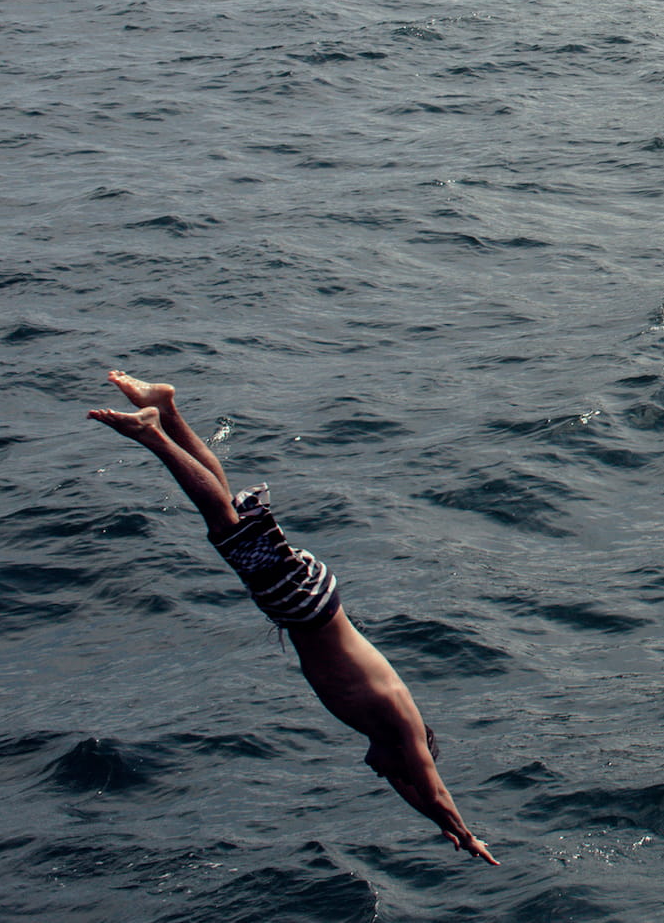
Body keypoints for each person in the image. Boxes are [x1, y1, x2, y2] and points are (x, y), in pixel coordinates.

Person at [86, 370, 498, 864]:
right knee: (223, 526)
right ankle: (152, 432)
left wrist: (443, 829)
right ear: (414, 758)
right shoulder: (403, 727)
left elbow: (412, 791)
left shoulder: (384, 735)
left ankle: (166, 408)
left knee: (232, 515)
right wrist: (465, 833)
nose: (378, 770)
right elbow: (433, 791)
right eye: (393, 770)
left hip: (308, 602)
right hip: (305, 607)